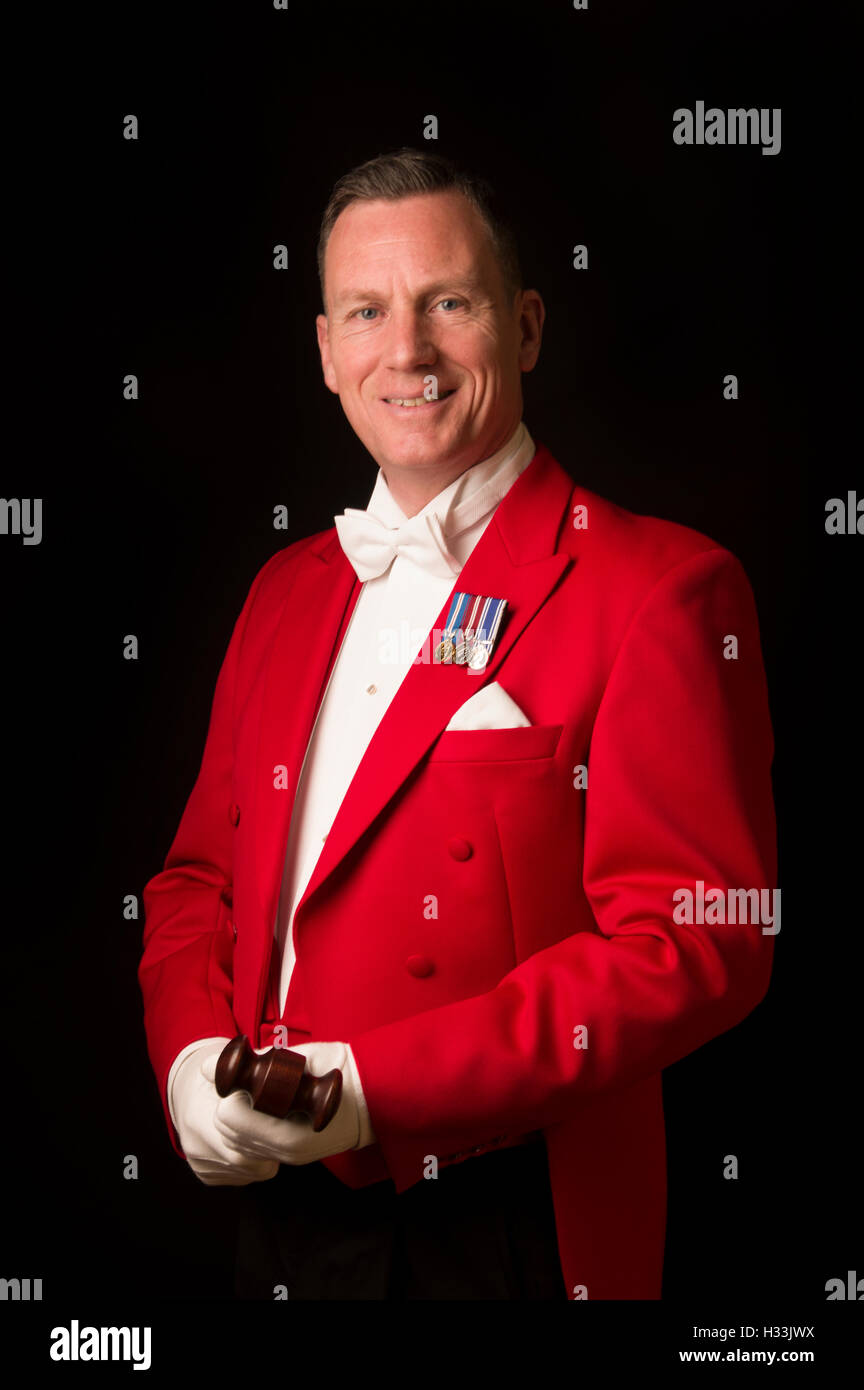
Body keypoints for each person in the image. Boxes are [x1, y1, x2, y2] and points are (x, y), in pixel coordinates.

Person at [139, 147, 777, 1300]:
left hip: (505, 1225)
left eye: (449, 303)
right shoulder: (283, 590)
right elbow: (196, 885)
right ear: (326, 350)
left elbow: (699, 942)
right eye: (368, 311)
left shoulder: (661, 586)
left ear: (525, 327)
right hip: (282, 1228)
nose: (410, 351)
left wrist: (376, 1089)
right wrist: (189, 1061)